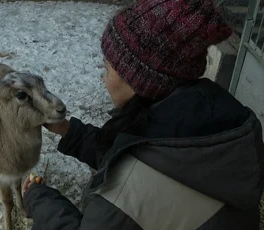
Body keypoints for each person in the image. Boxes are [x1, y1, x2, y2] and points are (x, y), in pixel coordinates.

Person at [21, 0, 264, 229]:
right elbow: (137, 156)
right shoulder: (211, 120)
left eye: (107, 68)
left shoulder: (124, 197)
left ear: (138, 79)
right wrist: (69, 132)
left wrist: (39, 200)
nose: (103, 78)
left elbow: (135, 178)